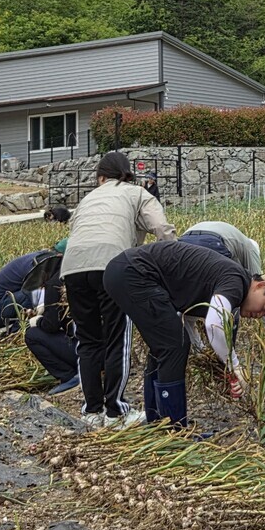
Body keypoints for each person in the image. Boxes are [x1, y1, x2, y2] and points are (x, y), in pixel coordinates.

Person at [104, 239, 265, 427]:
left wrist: (214, 362)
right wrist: (235, 365)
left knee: (165, 345)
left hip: (125, 271)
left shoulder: (231, 282)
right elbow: (214, 324)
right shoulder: (236, 281)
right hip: (134, 273)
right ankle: (174, 427)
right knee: (174, 346)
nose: (259, 315)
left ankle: (157, 420)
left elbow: (185, 319)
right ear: (259, 286)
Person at [61, 151, 176, 429]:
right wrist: (174, 261)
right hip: (111, 265)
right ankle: (116, 412)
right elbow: (161, 229)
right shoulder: (136, 193)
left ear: (100, 177)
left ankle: (92, 411)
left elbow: (76, 230)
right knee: (117, 338)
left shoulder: (88, 198)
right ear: (127, 174)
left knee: (87, 341)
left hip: (73, 267)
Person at [0, 242, 66, 333]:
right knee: (34, 294)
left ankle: (18, 330)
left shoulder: (43, 258)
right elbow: (43, 293)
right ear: (60, 255)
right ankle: (17, 332)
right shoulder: (40, 263)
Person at [25, 251, 81, 396]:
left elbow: (51, 325)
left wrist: (38, 321)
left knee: (32, 335)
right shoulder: (75, 273)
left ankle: (69, 376)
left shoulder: (54, 283)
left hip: (83, 352)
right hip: (108, 352)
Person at [181, 221, 263, 276]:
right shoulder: (251, 249)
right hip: (212, 241)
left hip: (185, 240)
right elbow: (257, 282)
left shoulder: (241, 241)